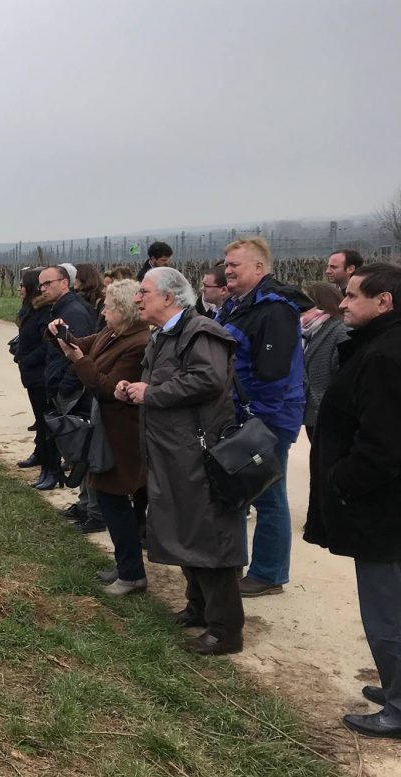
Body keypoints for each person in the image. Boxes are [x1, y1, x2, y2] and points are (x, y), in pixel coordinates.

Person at [117, 267, 244, 654]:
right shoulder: (164, 336)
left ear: (169, 297)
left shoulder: (199, 332)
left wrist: (151, 391)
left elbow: (207, 379)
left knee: (209, 536)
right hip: (173, 452)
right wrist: (134, 392)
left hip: (198, 453)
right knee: (186, 530)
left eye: (144, 292)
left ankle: (226, 631)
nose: (138, 298)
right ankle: (199, 608)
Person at [303, 263, 401, 738]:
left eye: (354, 295)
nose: (342, 302)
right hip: (384, 507)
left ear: (385, 302)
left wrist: (340, 480)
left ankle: (399, 706)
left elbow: (383, 446)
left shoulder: (384, 355)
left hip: (383, 512)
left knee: (386, 609)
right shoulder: (379, 346)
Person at [219, 237, 311, 597]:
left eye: (235, 265)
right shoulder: (237, 305)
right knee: (239, 491)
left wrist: (255, 417)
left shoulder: (275, 310)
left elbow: (273, 373)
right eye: (226, 265)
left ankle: (269, 574)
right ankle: (235, 562)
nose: (227, 270)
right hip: (243, 414)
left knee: (267, 495)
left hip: (267, 418)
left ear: (259, 268)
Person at [51, 279, 150, 591]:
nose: (103, 312)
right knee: (110, 499)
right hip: (107, 430)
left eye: (109, 307)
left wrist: (78, 361)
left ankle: (132, 574)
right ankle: (126, 567)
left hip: (123, 435)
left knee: (114, 498)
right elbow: (83, 342)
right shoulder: (113, 332)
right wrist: (59, 332)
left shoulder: (138, 343)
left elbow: (109, 389)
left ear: (124, 310)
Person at [35, 264, 99, 490]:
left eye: (47, 283)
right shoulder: (61, 308)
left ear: (64, 283)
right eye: (40, 284)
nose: (42, 288)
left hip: (72, 390)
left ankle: (88, 503)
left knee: (77, 446)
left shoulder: (73, 312)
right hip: (62, 384)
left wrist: (65, 387)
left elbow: (78, 353)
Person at [14, 268, 53, 469]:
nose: (19, 288)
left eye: (22, 284)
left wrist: (27, 358)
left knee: (43, 417)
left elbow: (46, 343)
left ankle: (45, 457)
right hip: (31, 371)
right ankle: (41, 453)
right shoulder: (30, 308)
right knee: (39, 417)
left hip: (40, 373)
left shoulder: (43, 311)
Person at [300, 281, 348, 441]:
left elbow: (343, 376)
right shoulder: (307, 332)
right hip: (312, 413)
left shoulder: (341, 331)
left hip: (330, 414)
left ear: (321, 304)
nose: (300, 307)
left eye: (305, 301)